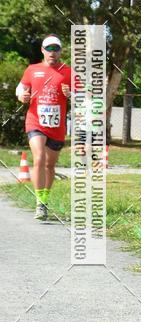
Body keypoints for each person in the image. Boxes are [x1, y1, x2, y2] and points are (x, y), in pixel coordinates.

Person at [16, 35, 74, 221]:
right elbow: (20, 89)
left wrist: (71, 94)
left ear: (60, 51)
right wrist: (22, 97)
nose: (52, 52)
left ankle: (44, 200)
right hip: (35, 122)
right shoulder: (32, 70)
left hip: (56, 127)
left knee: (50, 165)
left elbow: (85, 97)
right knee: (39, 157)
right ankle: (39, 203)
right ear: (42, 50)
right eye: (48, 48)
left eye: (56, 48)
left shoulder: (69, 72)